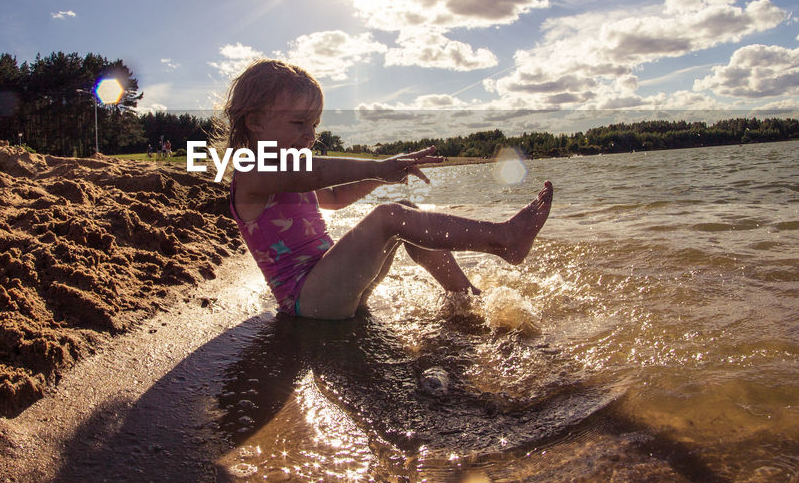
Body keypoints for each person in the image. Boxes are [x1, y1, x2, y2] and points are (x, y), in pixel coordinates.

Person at [217, 59, 553, 320]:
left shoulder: (288, 170)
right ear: (255, 121)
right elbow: (318, 171)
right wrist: (378, 165)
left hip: (337, 283)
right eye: (298, 123)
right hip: (309, 299)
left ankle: (465, 297)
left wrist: (382, 178)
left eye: (315, 124)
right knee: (387, 217)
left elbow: (332, 199)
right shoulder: (252, 172)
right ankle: (503, 239)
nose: (310, 135)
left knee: (404, 209)